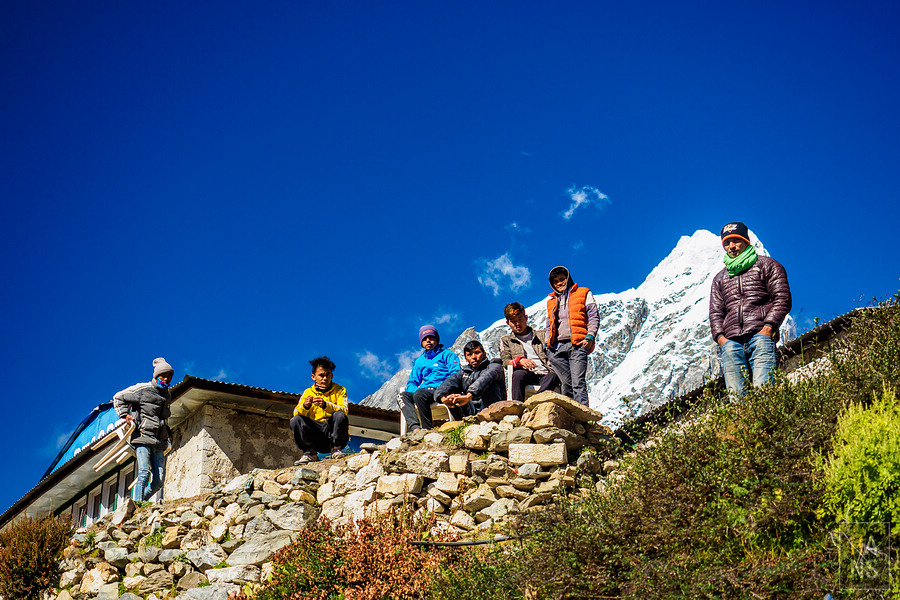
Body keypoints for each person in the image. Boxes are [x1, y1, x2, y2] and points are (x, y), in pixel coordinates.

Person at [709, 221, 792, 396]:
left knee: (765, 394)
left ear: (746, 241)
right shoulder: (720, 279)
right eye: (726, 242)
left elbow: (782, 298)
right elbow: (716, 313)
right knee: (737, 400)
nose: (731, 246)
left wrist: (767, 328)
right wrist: (722, 339)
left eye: (736, 241)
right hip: (731, 344)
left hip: (760, 337)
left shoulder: (767, 266)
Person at [113, 357, 175, 505]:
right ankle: (138, 508)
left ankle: (138, 504)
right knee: (144, 474)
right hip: (142, 437)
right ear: (156, 376)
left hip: (159, 442)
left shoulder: (167, 395)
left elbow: (163, 419)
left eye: (169, 376)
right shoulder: (143, 389)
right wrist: (125, 415)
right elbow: (118, 397)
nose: (166, 379)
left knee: (159, 481)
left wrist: (167, 435)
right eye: (163, 375)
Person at [545, 266, 600, 406]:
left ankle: (583, 418)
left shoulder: (583, 293)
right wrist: (547, 343)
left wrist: (590, 336)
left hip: (577, 344)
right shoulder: (551, 301)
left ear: (568, 278)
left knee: (578, 382)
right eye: (556, 281)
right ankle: (569, 418)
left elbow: (593, 316)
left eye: (562, 279)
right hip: (557, 348)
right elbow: (548, 324)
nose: (559, 283)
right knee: (566, 384)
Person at [397, 325, 461, 431]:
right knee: (402, 396)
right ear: (421, 343)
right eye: (425, 339)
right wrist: (417, 391)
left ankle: (427, 429)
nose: (428, 341)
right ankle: (416, 428)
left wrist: (444, 388)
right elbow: (412, 382)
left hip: (442, 390)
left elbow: (456, 374)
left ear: (437, 339)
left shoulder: (448, 355)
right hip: (424, 392)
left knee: (420, 394)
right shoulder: (419, 361)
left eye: (431, 337)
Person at [291, 356, 350, 464]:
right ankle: (310, 453)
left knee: (339, 415)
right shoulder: (308, 392)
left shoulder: (340, 390)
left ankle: (336, 449)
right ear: (313, 377)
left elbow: (344, 410)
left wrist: (325, 405)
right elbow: (296, 413)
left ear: (332, 375)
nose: (325, 378)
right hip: (316, 437)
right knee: (295, 420)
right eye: (321, 375)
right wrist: (306, 406)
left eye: (328, 375)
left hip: (333, 434)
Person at [499, 302, 560, 402]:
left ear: (526, 318)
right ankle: (517, 407)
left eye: (520, 319)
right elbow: (505, 362)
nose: (518, 324)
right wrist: (519, 361)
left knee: (554, 375)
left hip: (546, 373)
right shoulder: (506, 340)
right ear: (508, 323)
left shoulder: (542, 335)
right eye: (513, 321)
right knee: (518, 374)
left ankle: (535, 401)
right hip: (527, 375)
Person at [435, 340, 506, 417]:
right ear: (466, 359)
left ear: (484, 354)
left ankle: (493, 418)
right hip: (471, 409)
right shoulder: (463, 373)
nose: (474, 357)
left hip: (493, 409)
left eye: (477, 353)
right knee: (453, 395)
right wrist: (442, 398)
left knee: (491, 385)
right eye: (469, 355)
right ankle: (463, 422)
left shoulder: (494, 366)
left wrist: (469, 396)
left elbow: (486, 377)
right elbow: (447, 384)